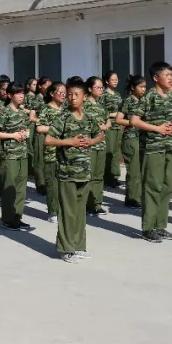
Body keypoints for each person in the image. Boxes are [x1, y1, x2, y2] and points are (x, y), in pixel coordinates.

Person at [46, 80, 104, 263]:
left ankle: (79, 246)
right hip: (67, 172)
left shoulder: (88, 118)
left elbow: (100, 134)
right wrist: (69, 142)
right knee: (68, 211)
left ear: (84, 97)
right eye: (69, 94)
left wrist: (91, 142)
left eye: (76, 95)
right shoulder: (63, 118)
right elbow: (48, 139)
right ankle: (66, 248)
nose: (71, 98)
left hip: (84, 171)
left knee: (79, 211)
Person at [131, 62, 172, 243]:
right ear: (156, 78)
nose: (170, 78)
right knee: (152, 187)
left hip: (170, 146)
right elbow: (134, 120)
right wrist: (157, 129)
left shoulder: (171, 97)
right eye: (166, 75)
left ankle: (160, 226)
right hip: (153, 147)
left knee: (167, 187)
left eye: (170, 75)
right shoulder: (149, 96)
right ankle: (148, 228)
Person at [0, 82, 33, 231]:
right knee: (10, 188)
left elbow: (26, 129)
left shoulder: (22, 112)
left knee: (21, 188)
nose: (21, 96)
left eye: (22, 93)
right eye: (18, 93)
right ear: (10, 95)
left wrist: (25, 134)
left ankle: (17, 217)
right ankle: (8, 219)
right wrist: (13, 135)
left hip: (22, 153)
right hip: (10, 155)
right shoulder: (5, 112)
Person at [36, 82, 66, 224]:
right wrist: (56, 129)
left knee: (64, 182)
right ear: (52, 94)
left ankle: (63, 209)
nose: (63, 94)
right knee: (52, 183)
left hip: (66, 150)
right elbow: (39, 128)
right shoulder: (46, 109)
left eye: (64, 92)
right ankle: (53, 211)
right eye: (60, 92)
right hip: (52, 150)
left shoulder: (66, 109)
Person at [117, 75, 147, 209]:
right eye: (141, 87)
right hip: (131, 138)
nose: (143, 89)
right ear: (132, 88)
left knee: (141, 170)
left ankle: (139, 196)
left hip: (142, 138)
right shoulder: (128, 101)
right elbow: (118, 119)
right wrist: (133, 122)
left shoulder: (144, 101)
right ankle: (132, 198)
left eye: (145, 87)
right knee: (134, 171)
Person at [83, 76, 110, 215]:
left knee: (99, 176)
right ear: (89, 88)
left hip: (101, 144)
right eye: (98, 87)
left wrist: (106, 125)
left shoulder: (101, 107)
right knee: (89, 176)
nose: (101, 90)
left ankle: (97, 203)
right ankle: (88, 204)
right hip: (89, 146)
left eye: (102, 88)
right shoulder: (83, 105)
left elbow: (108, 120)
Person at [100, 71, 124, 188]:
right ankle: (107, 176)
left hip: (118, 126)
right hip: (108, 126)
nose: (116, 81)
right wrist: (114, 114)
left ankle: (114, 176)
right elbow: (101, 110)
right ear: (106, 81)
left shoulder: (118, 94)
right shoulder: (103, 95)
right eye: (113, 79)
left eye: (117, 79)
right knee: (108, 152)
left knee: (116, 152)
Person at [23, 77, 45, 192]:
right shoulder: (26, 97)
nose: (35, 86)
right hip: (28, 123)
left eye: (37, 84)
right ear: (28, 86)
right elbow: (21, 108)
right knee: (29, 146)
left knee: (32, 147)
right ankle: (30, 169)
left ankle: (32, 169)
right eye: (33, 84)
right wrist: (30, 111)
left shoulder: (38, 97)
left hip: (35, 124)